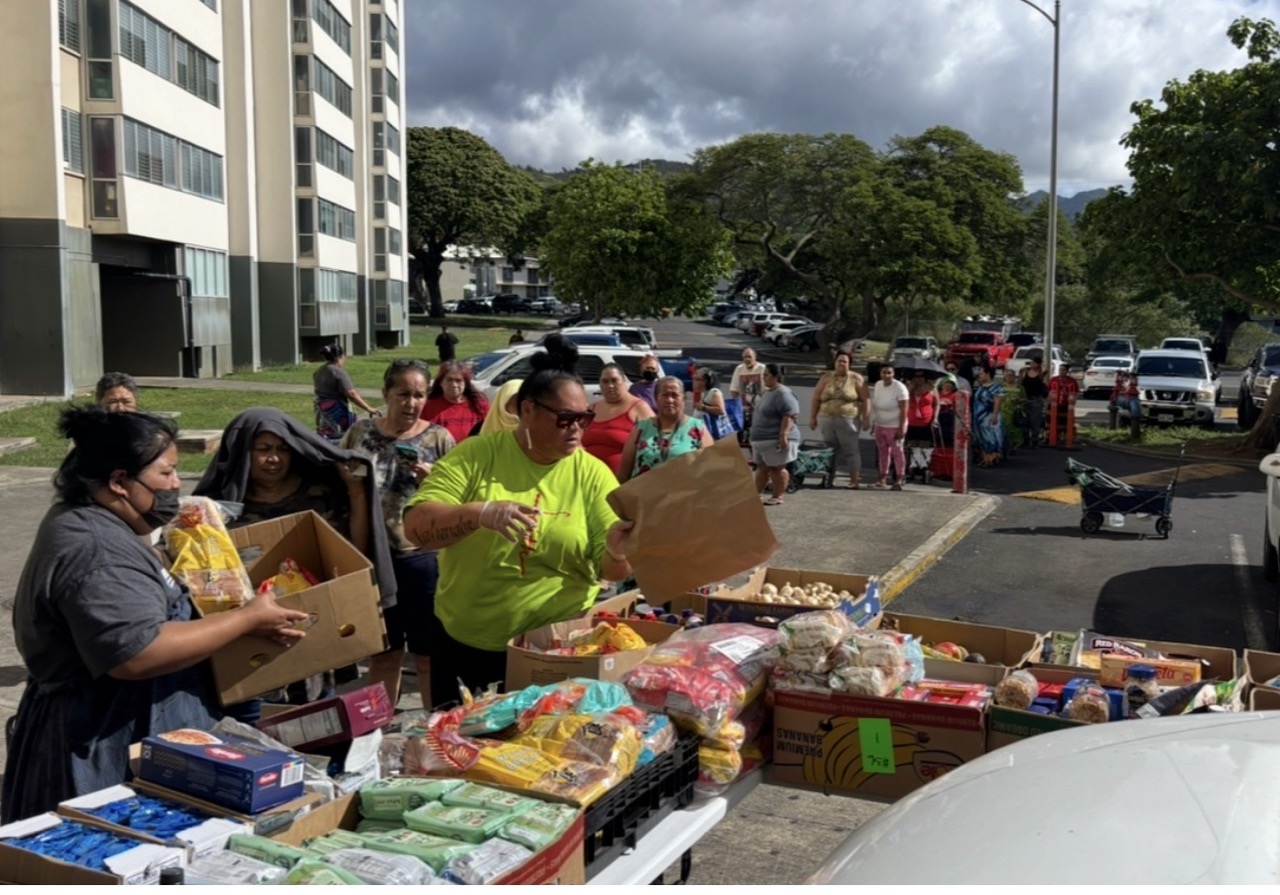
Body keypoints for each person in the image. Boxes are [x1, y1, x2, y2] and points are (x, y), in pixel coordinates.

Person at [2, 408, 308, 822]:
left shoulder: (106, 523)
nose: (177, 485)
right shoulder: (96, 551)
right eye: (166, 474)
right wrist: (246, 620)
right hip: (102, 743)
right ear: (119, 482)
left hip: (132, 722)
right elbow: (137, 653)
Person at [402, 335, 633, 709]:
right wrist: (480, 514)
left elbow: (606, 563)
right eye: (565, 418)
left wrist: (618, 551)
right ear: (527, 410)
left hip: (555, 653)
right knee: (462, 756)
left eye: (584, 418)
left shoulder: (591, 473)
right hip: (468, 645)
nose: (577, 428)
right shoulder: (478, 455)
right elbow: (417, 525)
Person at [194, 408, 396, 708]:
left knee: (316, 721)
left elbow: (352, 549)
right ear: (241, 453)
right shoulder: (219, 508)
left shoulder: (318, 492)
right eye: (262, 450)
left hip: (311, 625)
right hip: (249, 638)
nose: (273, 458)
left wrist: (356, 494)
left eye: (282, 450)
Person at [340, 360, 455, 708]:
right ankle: (376, 729)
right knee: (383, 653)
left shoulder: (439, 438)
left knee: (427, 653)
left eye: (419, 395)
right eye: (403, 393)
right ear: (386, 393)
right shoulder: (359, 434)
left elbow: (459, 501)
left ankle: (432, 726)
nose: (411, 402)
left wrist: (434, 483)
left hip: (422, 559)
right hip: (373, 557)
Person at [619, 376, 712, 482]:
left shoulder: (698, 428)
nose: (669, 400)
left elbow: (710, 471)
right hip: (644, 496)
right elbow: (623, 473)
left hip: (683, 496)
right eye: (665, 395)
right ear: (656, 398)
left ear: (683, 399)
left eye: (675, 395)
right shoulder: (641, 428)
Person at [809, 350, 869, 488]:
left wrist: (866, 418)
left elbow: (866, 399)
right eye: (839, 361)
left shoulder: (856, 378)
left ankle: (854, 481)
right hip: (827, 419)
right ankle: (828, 479)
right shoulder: (826, 377)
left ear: (850, 364)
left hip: (848, 420)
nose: (841, 364)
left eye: (845, 362)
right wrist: (813, 417)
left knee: (851, 450)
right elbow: (816, 398)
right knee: (829, 451)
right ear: (835, 363)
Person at [582, 364, 653, 478]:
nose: (610, 385)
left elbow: (654, 446)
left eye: (614, 380)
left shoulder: (640, 408)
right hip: (588, 478)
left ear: (624, 381)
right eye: (605, 381)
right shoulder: (591, 409)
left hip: (622, 482)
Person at [750, 364, 801, 505]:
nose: (763, 378)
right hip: (761, 439)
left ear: (775, 376)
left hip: (774, 438)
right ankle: (756, 494)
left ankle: (778, 496)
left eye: (766, 375)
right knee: (762, 468)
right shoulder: (768, 392)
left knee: (776, 468)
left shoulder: (783, 393)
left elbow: (789, 415)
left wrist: (783, 435)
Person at [314, 344, 380, 443]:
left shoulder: (319, 371)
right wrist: (368, 408)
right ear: (340, 357)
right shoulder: (338, 372)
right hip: (337, 411)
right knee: (344, 438)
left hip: (322, 411)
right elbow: (351, 393)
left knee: (328, 436)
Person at [421, 361, 491, 444]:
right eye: (449, 380)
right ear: (441, 382)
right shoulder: (428, 407)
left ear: (466, 383)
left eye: (458, 380)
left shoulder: (480, 406)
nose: (454, 385)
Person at [869, 362, 909, 490]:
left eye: (889, 373)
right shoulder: (878, 385)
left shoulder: (900, 388)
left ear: (893, 374)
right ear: (880, 374)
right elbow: (876, 406)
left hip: (895, 426)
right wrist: (874, 423)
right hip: (881, 425)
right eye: (884, 373)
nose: (886, 375)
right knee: (882, 452)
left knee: (897, 452)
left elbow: (904, 410)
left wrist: (901, 427)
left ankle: (900, 478)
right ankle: (882, 478)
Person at [972, 363, 1005, 467]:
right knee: (980, 437)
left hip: (989, 416)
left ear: (988, 374)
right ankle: (983, 458)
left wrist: (994, 415)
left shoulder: (996, 387)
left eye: (981, 374)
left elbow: (997, 402)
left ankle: (990, 459)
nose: (980, 376)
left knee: (989, 437)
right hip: (979, 417)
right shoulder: (980, 387)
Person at [697, 369, 735, 440]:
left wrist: (703, 407)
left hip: (714, 434)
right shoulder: (705, 393)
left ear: (706, 381)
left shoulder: (714, 392)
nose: (696, 382)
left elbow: (720, 410)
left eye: (699, 379)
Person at [1020, 359, 1049, 448]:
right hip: (1025, 399)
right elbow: (1021, 383)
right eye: (1032, 363)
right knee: (1024, 420)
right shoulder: (1025, 372)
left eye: (1035, 363)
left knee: (1035, 421)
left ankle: (1034, 441)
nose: (1032, 365)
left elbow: (1046, 370)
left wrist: (1042, 364)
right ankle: (1025, 440)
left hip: (1036, 399)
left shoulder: (1040, 374)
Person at [1000, 369, 1025, 457]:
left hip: (1015, 412)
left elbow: (1024, 399)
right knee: (1004, 429)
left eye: (1011, 376)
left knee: (1016, 430)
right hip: (1004, 411)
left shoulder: (1019, 387)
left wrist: (1019, 401)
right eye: (1008, 375)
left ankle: (1014, 447)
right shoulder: (1001, 387)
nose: (1009, 377)